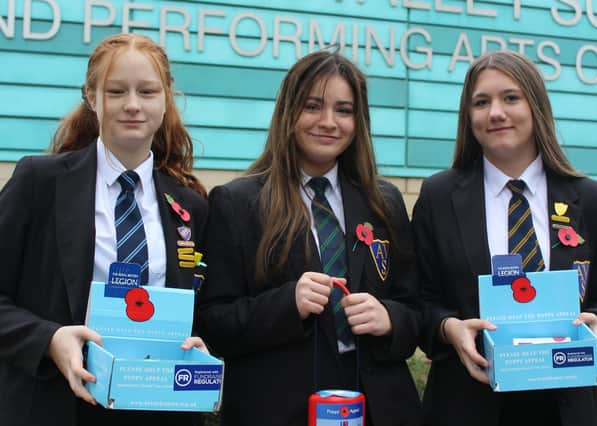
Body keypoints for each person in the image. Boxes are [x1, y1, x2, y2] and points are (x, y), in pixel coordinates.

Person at [195, 50, 421, 426]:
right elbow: (212, 323)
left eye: (344, 110)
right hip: (277, 409)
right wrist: (286, 304)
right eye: (313, 106)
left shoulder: (384, 202)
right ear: (288, 112)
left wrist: (391, 318)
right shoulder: (237, 203)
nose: (329, 122)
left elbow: (416, 309)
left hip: (377, 409)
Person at [0, 33, 209, 426]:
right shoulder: (39, 183)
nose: (132, 105)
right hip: (57, 406)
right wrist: (48, 339)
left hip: (156, 406)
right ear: (92, 98)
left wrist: (197, 345)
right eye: (116, 91)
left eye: (147, 91)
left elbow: (205, 307)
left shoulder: (189, 206)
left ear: (166, 100)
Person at [412, 50, 597, 426]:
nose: (495, 112)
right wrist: (450, 329)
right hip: (467, 403)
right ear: (469, 116)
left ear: (536, 106)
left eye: (510, 98)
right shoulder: (437, 197)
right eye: (481, 102)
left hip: (570, 406)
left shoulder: (592, 199)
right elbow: (418, 299)